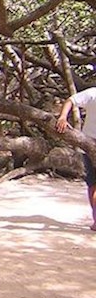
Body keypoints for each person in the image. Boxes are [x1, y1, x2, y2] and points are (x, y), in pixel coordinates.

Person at [56, 86, 96, 231]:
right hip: (89, 143)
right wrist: (62, 117)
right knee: (92, 184)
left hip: (88, 143)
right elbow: (71, 100)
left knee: (93, 185)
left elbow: (70, 100)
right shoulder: (92, 93)